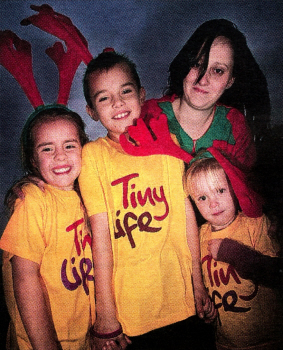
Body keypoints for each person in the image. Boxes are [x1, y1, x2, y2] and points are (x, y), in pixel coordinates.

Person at [79, 50, 216, 350]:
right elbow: (99, 237)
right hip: (131, 316)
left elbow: (185, 215)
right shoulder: (93, 157)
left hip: (183, 303)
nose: (117, 103)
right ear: (91, 111)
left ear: (141, 95)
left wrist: (198, 284)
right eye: (103, 98)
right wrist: (105, 315)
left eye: (125, 91)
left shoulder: (169, 144)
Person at [0, 107, 95, 350]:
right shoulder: (32, 200)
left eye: (70, 145)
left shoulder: (87, 197)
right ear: (33, 159)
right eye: (47, 148)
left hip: (83, 338)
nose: (60, 156)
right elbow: (24, 277)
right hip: (39, 342)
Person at [141, 19, 270, 174]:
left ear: (230, 81)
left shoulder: (236, 128)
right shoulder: (146, 114)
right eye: (197, 64)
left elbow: (244, 193)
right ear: (185, 64)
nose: (203, 80)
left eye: (218, 71)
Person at [185, 157, 283, 349]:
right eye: (202, 198)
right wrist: (206, 306)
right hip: (226, 343)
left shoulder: (255, 223)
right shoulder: (199, 235)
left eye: (220, 191)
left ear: (234, 187)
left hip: (270, 340)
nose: (213, 204)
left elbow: (275, 275)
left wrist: (232, 252)